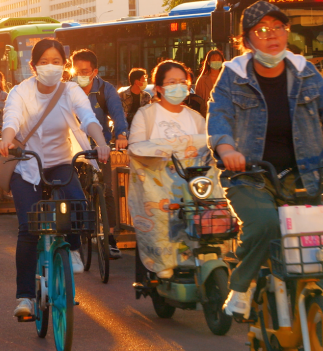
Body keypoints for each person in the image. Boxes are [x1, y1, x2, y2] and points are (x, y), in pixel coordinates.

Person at [207, 1, 323, 319]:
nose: (272, 35)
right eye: (262, 30)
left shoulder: (305, 71)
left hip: (305, 175)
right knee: (264, 223)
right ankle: (241, 286)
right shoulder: (232, 76)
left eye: (278, 27)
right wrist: (226, 150)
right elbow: (219, 116)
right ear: (247, 41)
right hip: (251, 176)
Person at [0, 39, 110, 318]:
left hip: (61, 163)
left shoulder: (71, 90)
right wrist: (5, 140)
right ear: (33, 66)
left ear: (64, 65)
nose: (50, 66)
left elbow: (87, 116)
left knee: (77, 205)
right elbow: (11, 119)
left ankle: (71, 248)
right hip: (27, 166)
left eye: (56, 61)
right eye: (44, 61)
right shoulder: (21, 91)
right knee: (28, 229)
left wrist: (101, 141)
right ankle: (25, 297)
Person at [129, 60, 206, 283]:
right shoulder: (146, 115)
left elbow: (209, 147)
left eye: (183, 82)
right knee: (163, 211)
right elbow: (136, 147)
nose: (178, 86)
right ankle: (163, 260)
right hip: (158, 185)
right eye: (172, 82)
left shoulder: (195, 117)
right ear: (159, 88)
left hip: (193, 184)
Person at [70, 49, 129, 259]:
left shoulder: (106, 89)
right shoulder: (66, 89)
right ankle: (74, 237)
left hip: (99, 147)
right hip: (71, 147)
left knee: (107, 191)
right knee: (71, 192)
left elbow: (118, 114)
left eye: (85, 71)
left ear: (95, 71)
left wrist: (121, 134)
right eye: (77, 70)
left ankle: (110, 238)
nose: (80, 74)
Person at [194, 49, 225, 115]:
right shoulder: (202, 80)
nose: (216, 62)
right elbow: (198, 102)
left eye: (219, 59)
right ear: (208, 62)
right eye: (213, 60)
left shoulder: (226, 78)